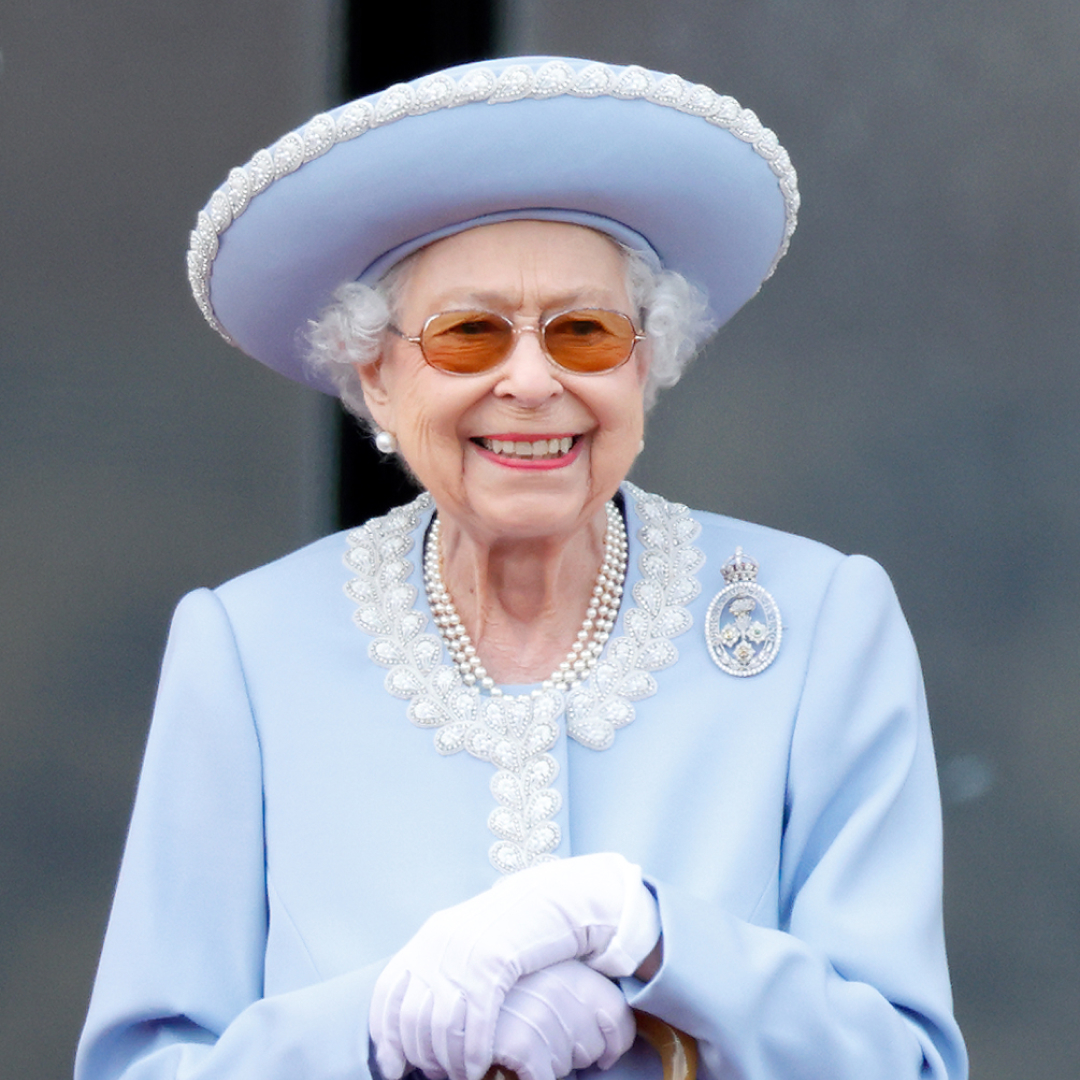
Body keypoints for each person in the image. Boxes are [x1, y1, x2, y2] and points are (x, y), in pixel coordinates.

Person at [75, 56, 968, 1080]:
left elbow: (907, 1065)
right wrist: (379, 1024)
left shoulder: (820, 626)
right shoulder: (246, 648)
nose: (534, 381)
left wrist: (652, 936)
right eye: (469, 335)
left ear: (645, 364)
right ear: (376, 370)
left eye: (586, 332)